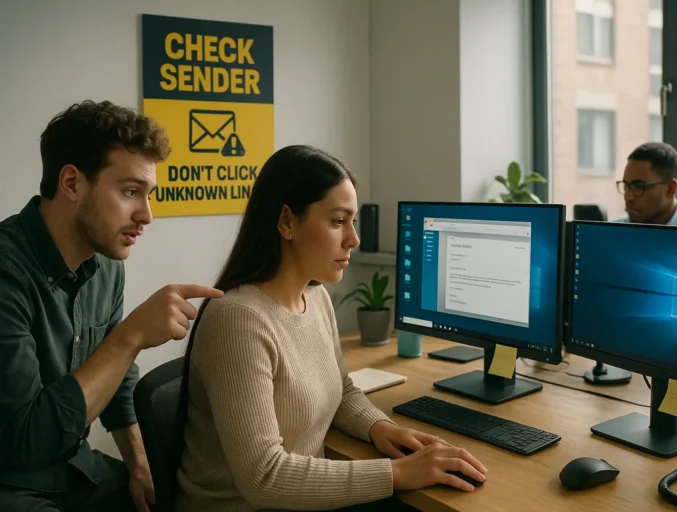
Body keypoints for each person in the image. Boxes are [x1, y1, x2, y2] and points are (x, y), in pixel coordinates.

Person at [176, 145, 488, 512]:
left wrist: (381, 428)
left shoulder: (317, 297)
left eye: (351, 221)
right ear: (287, 222)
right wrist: (398, 473)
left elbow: (340, 389)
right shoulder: (238, 319)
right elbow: (264, 478)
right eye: (338, 221)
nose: (353, 239)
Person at [0, 100, 223, 512]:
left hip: (76, 467)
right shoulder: (6, 270)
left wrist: (139, 463)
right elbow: (24, 441)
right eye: (130, 192)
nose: (147, 215)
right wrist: (131, 337)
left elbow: (115, 378)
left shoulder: (105, 264)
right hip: (14, 481)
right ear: (71, 183)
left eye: (148, 194)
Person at [613, 141, 677, 227]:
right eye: (626, 185)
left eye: (639, 186)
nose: (627, 196)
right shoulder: (611, 234)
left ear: (670, 189)